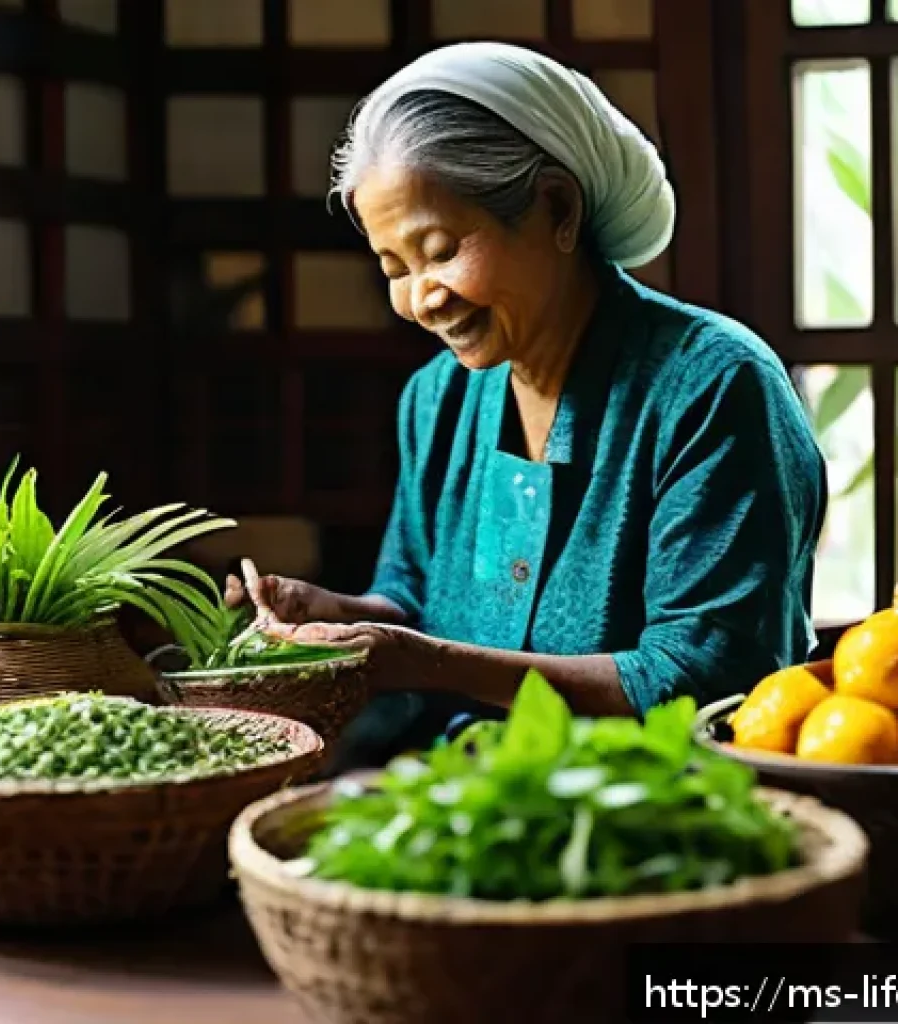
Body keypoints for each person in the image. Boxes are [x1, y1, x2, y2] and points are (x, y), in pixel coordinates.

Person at [225, 41, 828, 768]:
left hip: (656, 811)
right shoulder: (435, 400)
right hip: (456, 790)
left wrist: (420, 660)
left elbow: (701, 677)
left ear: (557, 207)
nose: (421, 297)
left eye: (442, 250)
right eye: (394, 267)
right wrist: (339, 615)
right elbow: (412, 598)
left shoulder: (712, 387)